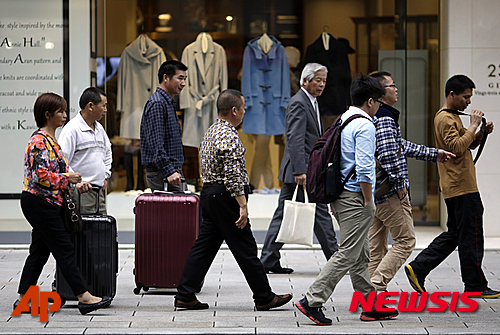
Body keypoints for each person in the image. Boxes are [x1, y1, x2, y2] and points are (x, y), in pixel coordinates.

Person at [174, 89, 293, 311]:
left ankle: (185, 294)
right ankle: (264, 297)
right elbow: (233, 173)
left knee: (204, 247)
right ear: (235, 110)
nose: (245, 112)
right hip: (225, 197)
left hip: (209, 194)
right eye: (244, 108)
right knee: (245, 248)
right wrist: (243, 205)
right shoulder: (229, 135)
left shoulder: (211, 131)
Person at [295, 75, 399, 324]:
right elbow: (364, 168)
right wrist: (368, 199)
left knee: (360, 253)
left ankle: (369, 303)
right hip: (355, 197)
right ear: (371, 101)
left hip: (340, 195)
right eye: (378, 103)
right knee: (348, 253)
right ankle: (313, 300)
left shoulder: (344, 119)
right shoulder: (365, 125)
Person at [16, 93, 111, 315]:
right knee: (65, 249)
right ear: (47, 115)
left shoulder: (51, 141)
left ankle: (23, 298)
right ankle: (84, 296)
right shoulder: (38, 141)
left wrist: (73, 183)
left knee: (39, 251)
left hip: (47, 202)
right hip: (40, 202)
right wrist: (67, 179)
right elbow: (41, 176)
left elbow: (56, 172)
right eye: (60, 111)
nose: (64, 116)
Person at [405, 74, 499, 298]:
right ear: (452, 94)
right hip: (461, 186)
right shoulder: (445, 119)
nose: (469, 102)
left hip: (458, 185)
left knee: (457, 234)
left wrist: (479, 133)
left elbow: (464, 145)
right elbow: (456, 148)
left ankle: (419, 268)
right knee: (472, 235)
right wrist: (474, 125)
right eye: (465, 97)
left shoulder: (452, 117)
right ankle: (474, 285)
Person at [368, 72, 455, 292]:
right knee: (406, 241)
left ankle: (370, 293)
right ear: (380, 93)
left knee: (376, 246)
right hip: (389, 193)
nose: (396, 89)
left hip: (375, 192)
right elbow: (389, 155)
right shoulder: (385, 117)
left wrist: (433, 153)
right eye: (391, 85)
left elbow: (399, 146)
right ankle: (376, 285)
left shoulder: (376, 116)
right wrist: (400, 187)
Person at [260, 63, 338, 274]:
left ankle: (268, 259)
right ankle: (336, 259)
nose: (322, 84)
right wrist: (300, 171)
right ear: (305, 81)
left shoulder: (311, 101)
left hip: (305, 169)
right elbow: (295, 139)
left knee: (286, 214)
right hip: (302, 171)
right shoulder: (299, 103)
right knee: (317, 213)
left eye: (323, 80)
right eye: (318, 80)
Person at [58, 87, 112, 213]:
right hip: (81, 193)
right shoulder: (72, 129)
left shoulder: (99, 128)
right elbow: (62, 159)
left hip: (98, 193)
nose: (105, 110)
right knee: (85, 230)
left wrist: (105, 176)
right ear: (90, 106)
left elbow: (108, 152)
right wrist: (77, 182)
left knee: (101, 230)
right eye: (103, 106)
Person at [140, 60, 188, 192]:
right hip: (164, 173)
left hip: (169, 172)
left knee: (181, 210)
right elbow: (156, 144)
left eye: (185, 79)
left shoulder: (166, 102)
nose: (183, 83)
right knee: (174, 212)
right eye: (180, 78)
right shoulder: (158, 103)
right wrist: (169, 171)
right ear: (165, 78)